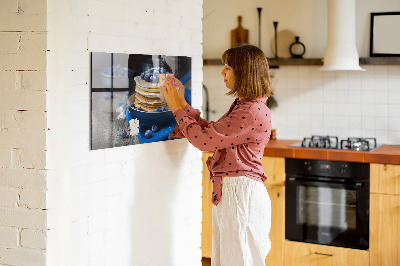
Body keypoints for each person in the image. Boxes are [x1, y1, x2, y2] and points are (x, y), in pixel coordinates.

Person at [161, 44, 273, 266]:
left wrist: (176, 107)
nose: (222, 72)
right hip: (236, 193)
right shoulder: (246, 106)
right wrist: (182, 103)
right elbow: (211, 133)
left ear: (244, 72)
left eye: (228, 67)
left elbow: (204, 141)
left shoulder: (250, 111)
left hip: (241, 196)